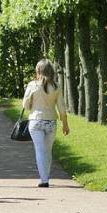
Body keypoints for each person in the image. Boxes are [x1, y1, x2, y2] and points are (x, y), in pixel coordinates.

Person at [22, 59, 70, 188]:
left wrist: (31, 102)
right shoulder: (56, 86)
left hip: (35, 120)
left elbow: (25, 105)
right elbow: (62, 109)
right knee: (48, 151)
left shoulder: (32, 85)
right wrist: (65, 124)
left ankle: (44, 179)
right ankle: (46, 176)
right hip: (51, 122)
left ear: (38, 71)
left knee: (40, 150)